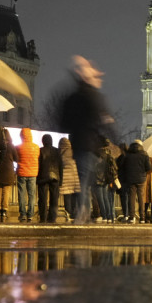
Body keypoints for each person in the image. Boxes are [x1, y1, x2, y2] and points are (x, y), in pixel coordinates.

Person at [59, 56, 115, 224]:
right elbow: (105, 119)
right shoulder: (94, 96)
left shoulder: (73, 97)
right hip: (92, 145)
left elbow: (62, 122)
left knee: (83, 181)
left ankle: (83, 210)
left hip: (79, 144)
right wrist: (112, 137)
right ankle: (85, 210)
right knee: (85, 181)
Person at [119, 140, 150, 223]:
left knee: (131, 197)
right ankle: (142, 218)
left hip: (130, 179)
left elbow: (123, 166)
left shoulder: (128, 155)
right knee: (141, 197)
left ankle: (132, 217)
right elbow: (148, 167)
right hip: (141, 179)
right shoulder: (144, 154)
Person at [36, 134, 63, 223]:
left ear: (43, 141)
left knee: (43, 199)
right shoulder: (57, 151)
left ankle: (43, 218)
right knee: (54, 199)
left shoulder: (41, 151)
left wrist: (37, 178)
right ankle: (52, 218)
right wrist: (60, 180)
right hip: (55, 177)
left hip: (43, 177)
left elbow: (38, 165)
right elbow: (60, 166)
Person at [15, 128, 39, 222]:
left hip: (21, 172)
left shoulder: (18, 147)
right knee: (32, 195)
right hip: (33, 174)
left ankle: (23, 214)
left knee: (21, 194)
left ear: (21, 136)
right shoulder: (36, 147)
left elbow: (16, 159)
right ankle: (30, 215)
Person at [0, 128, 18, 223]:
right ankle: (4, 210)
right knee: (6, 190)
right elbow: (16, 158)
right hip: (8, 170)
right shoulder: (11, 146)